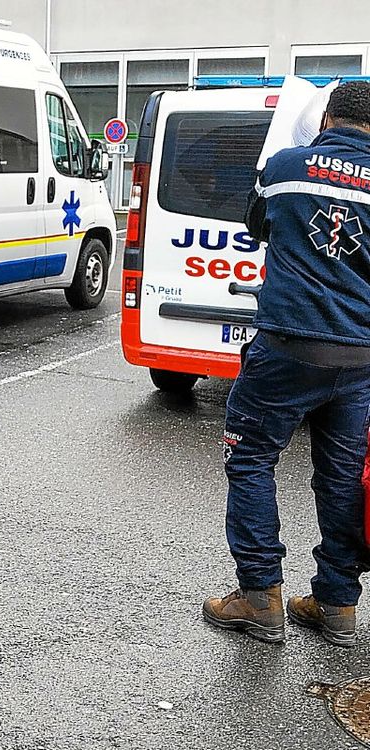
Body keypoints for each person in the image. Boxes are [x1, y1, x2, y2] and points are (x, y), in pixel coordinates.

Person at [203, 81, 370, 647]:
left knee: (250, 458)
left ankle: (259, 597)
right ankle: (337, 604)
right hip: (359, 357)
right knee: (343, 475)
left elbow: (258, 226)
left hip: (287, 347)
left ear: (326, 117)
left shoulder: (284, 166)